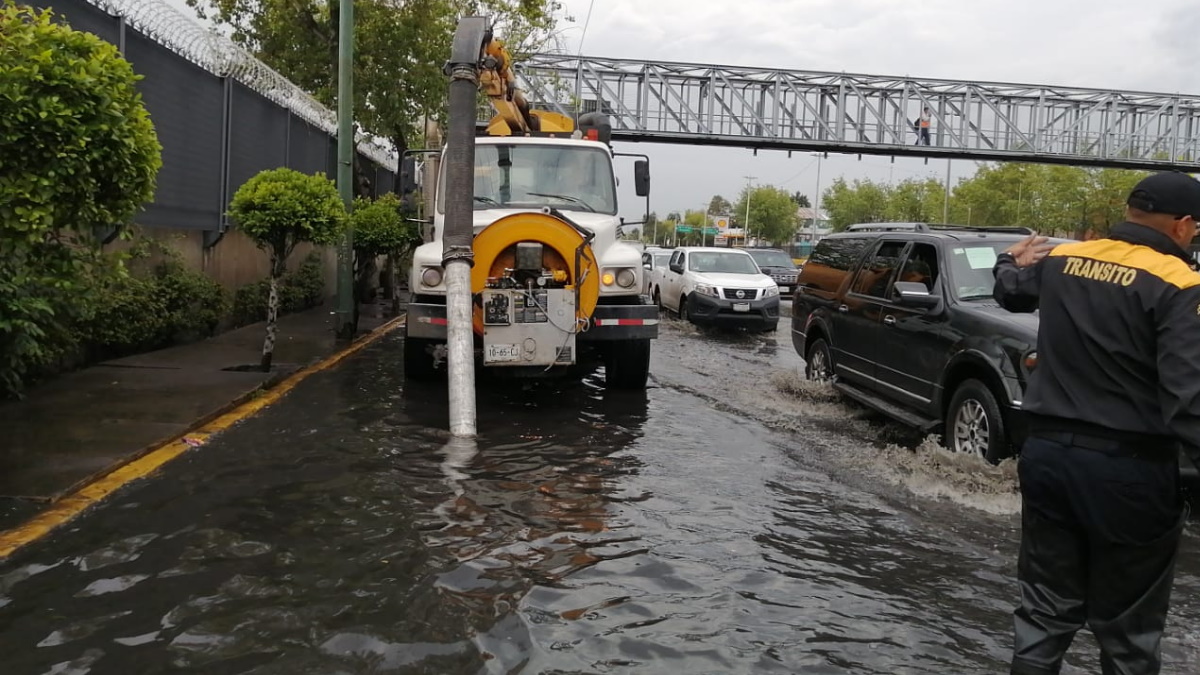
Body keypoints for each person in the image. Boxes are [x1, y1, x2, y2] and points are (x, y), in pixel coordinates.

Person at [992, 170, 1200, 674]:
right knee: (1128, 633)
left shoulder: (1063, 258)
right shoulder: (1180, 284)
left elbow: (1011, 292)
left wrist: (1006, 258)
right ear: (1183, 225)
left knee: (1042, 615)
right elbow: (1188, 400)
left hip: (1047, 459)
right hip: (1130, 474)